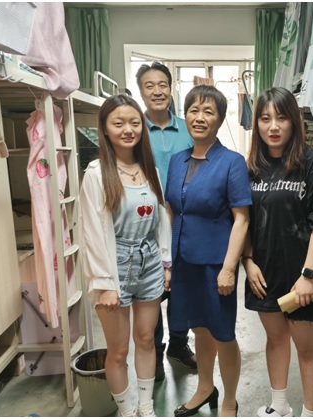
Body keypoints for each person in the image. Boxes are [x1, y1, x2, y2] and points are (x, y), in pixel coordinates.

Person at [242, 87, 313, 418]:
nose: (273, 126)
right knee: (275, 340)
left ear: (294, 121)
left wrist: (308, 274)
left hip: (304, 276)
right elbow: (243, 220)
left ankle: (309, 414)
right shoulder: (252, 166)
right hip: (264, 272)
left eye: (282, 118)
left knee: (308, 348)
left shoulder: (312, 162)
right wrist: (247, 262)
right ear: (256, 123)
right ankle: (279, 405)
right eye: (265, 118)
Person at [79, 94, 172, 417]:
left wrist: (165, 263)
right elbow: (92, 232)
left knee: (146, 339)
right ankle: (126, 409)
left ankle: (146, 406)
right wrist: (104, 283)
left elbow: (161, 218)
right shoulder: (96, 173)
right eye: (118, 123)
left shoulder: (149, 169)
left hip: (149, 261)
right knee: (118, 350)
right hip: (114, 263)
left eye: (134, 123)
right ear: (105, 129)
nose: (128, 130)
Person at [165, 85, 252, 417]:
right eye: (193, 110)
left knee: (223, 333)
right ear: (184, 114)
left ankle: (229, 399)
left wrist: (229, 268)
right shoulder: (177, 161)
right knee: (198, 328)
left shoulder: (232, 163)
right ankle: (205, 388)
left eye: (208, 111)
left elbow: (242, 219)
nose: (199, 118)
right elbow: (172, 211)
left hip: (216, 265)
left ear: (220, 119)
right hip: (183, 262)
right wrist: (168, 263)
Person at [135, 62, 196, 380]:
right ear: (140, 91)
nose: (157, 91)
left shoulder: (188, 128)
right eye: (149, 85)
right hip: (145, 223)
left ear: (171, 89)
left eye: (163, 84)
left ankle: (179, 344)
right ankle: (155, 352)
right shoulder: (135, 128)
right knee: (152, 290)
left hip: (185, 222)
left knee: (182, 287)